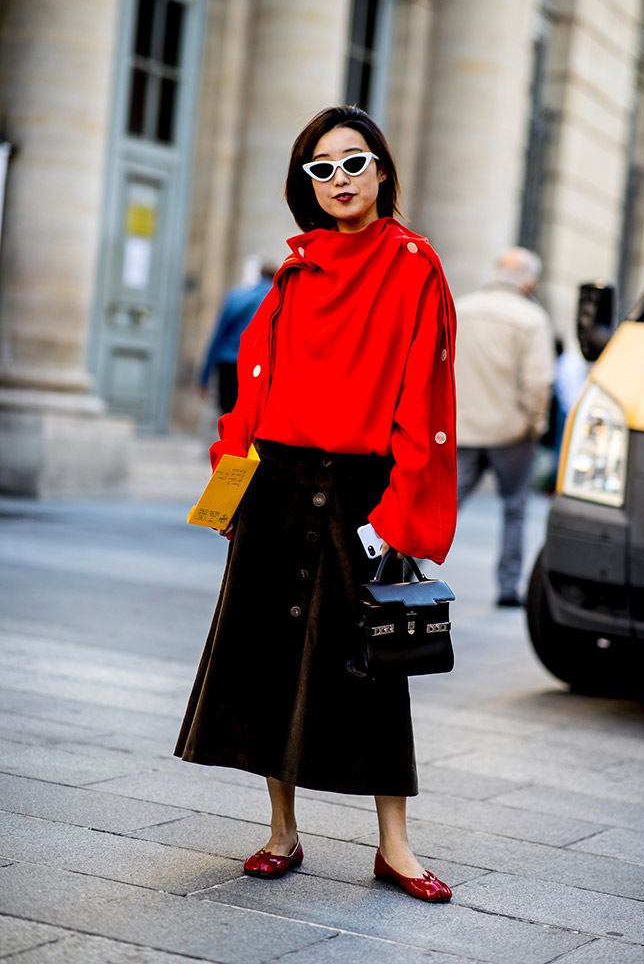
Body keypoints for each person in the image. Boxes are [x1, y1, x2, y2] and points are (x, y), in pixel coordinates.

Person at [175, 105, 458, 902]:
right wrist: (229, 479)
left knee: (374, 667)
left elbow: (424, 396)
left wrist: (399, 511)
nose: (339, 179)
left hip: (361, 495)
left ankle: (394, 846)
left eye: (353, 162)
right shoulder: (294, 272)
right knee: (268, 660)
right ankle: (281, 830)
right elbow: (254, 392)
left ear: (382, 170)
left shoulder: (413, 264)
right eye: (320, 168)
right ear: (306, 183)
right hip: (277, 486)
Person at [454, 247, 554, 607]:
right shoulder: (531, 318)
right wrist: (536, 423)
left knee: (444, 506)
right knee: (515, 508)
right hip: (511, 432)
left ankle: (400, 571)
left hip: (462, 426)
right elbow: (539, 382)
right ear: (528, 281)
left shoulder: (461, 308)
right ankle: (508, 587)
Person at [198, 262, 277, 412]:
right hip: (257, 366)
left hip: (228, 363)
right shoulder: (277, 300)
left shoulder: (236, 296)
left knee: (227, 414)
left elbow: (218, 336)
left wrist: (204, 377)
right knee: (250, 417)